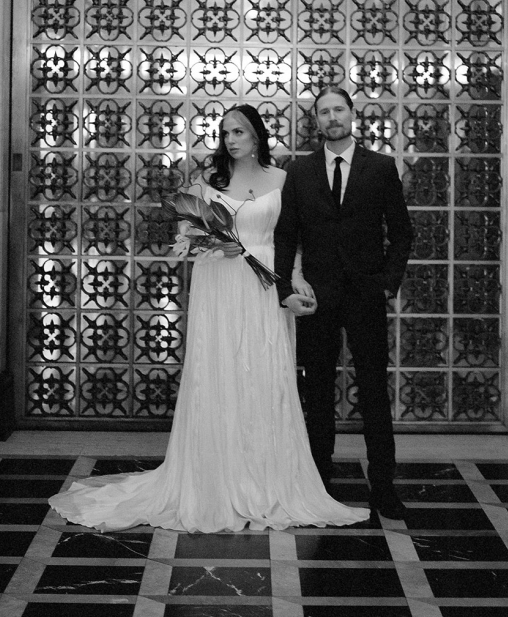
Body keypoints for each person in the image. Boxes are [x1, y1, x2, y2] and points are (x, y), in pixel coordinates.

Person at [48, 105, 369, 532]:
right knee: (218, 374)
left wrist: (293, 280)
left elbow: (294, 236)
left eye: (238, 131)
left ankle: (266, 480)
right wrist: (211, 245)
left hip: (264, 285)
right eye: (225, 132)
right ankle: (211, 481)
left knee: (263, 375)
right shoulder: (209, 183)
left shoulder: (284, 180)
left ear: (257, 134)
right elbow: (186, 237)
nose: (231, 139)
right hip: (219, 285)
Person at [274, 86, 414, 520]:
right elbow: (286, 235)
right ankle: (319, 481)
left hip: (366, 295)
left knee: (373, 390)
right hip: (317, 297)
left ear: (352, 114)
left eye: (339, 109)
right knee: (317, 390)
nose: (332, 117)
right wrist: (285, 289)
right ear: (315, 121)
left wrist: (388, 284)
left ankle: (384, 486)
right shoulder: (300, 171)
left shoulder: (381, 167)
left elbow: (402, 232)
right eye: (324, 112)